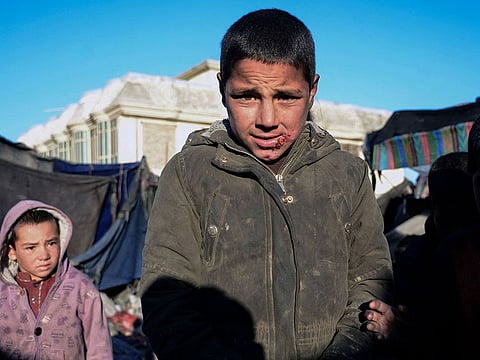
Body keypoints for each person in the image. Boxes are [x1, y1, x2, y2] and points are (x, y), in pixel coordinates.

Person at [139, 8, 393, 359]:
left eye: (287, 97)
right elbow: (166, 301)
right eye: (247, 96)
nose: (268, 120)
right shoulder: (189, 173)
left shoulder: (347, 175)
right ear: (222, 89)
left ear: (313, 89)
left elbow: (372, 280)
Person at [0, 199, 113, 359]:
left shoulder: (80, 288)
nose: (44, 255)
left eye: (51, 243)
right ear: (12, 252)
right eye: (31, 247)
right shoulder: (2, 291)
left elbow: (99, 348)